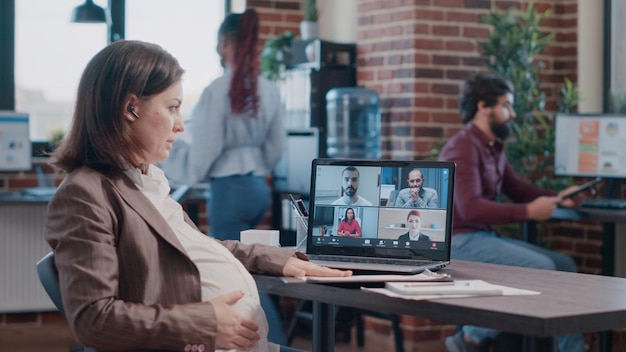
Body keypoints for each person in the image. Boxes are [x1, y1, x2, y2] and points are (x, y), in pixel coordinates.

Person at [44, 39, 351, 352]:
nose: (179, 126)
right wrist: (204, 322)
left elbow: (197, 248)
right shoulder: (84, 195)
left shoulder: (146, 180)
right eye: (172, 108)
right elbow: (93, 320)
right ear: (130, 108)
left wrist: (278, 259)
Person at [438, 73, 588, 352]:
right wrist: (529, 211)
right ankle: (470, 337)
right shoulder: (463, 146)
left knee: (564, 266)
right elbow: (469, 208)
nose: (513, 113)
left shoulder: (492, 146)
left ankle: (571, 349)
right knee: (541, 269)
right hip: (459, 241)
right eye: (507, 105)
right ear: (484, 106)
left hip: (481, 237)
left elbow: (518, 189)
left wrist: (559, 197)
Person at [162, 9, 286, 241]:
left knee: (228, 261)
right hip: (259, 190)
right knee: (249, 257)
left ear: (224, 42)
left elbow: (207, 148)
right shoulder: (268, 88)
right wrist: (257, 167)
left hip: (229, 191)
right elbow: (278, 146)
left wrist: (184, 168)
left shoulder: (217, 90)